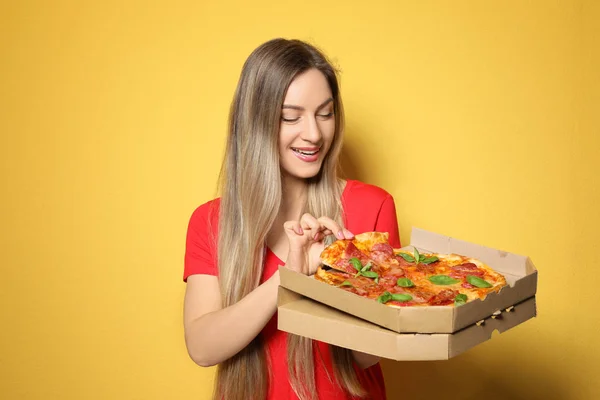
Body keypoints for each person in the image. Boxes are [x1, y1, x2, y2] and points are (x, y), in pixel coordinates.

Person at [183, 38, 401, 400]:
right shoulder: (211, 221)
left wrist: (335, 272)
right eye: (291, 117)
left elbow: (367, 356)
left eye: (325, 113)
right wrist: (291, 280)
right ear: (256, 122)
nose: (314, 134)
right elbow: (203, 348)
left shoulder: (371, 206)